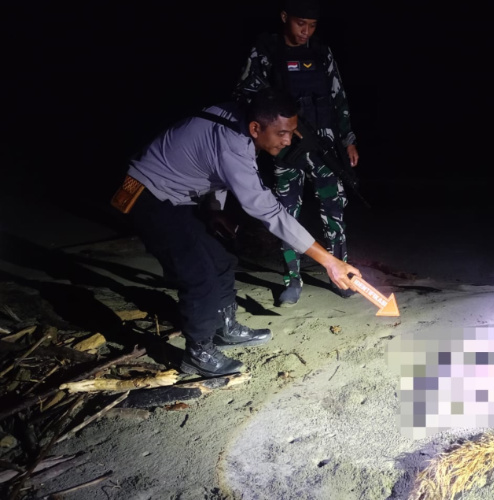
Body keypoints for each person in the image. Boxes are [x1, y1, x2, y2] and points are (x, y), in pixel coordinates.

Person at [111, 87, 361, 377]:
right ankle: (198, 352)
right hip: (149, 197)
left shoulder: (239, 117)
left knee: (222, 259)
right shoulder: (234, 146)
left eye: (292, 132)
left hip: (178, 196)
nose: (288, 140)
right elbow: (269, 211)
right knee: (198, 274)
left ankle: (224, 328)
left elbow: (209, 165)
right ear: (256, 128)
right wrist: (329, 261)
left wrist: (214, 211)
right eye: (281, 133)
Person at [232, 0, 360, 307]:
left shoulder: (321, 52)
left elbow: (338, 96)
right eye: (301, 23)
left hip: (324, 146)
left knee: (334, 212)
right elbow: (244, 93)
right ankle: (292, 280)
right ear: (284, 17)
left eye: (312, 25)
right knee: (287, 213)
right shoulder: (267, 50)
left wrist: (348, 139)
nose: (306, 31)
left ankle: (341, 274)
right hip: (286, 149)